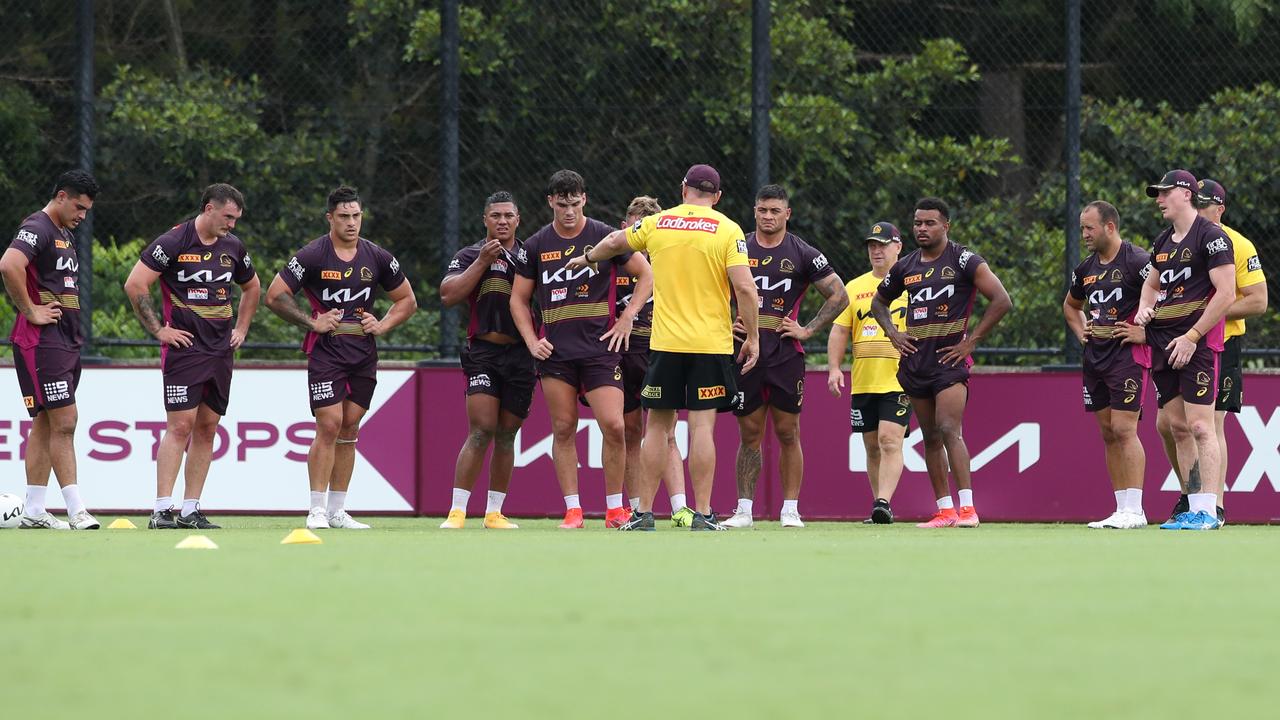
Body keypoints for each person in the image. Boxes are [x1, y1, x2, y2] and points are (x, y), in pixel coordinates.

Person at [565, 163, 759, 531]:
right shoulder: (728, 229)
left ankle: (643, 514)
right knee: (702, 428)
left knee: (657, 427)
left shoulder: (659, 222)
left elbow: (613, 242)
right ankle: (702, 513)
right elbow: (746, 289)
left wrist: (588, 257)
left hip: (666, 342)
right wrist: (753, 337)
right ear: (716, 197)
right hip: (709, 343)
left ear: (684, 188)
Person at [265, 185, 417, 530]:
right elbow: (274, 296)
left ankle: (337, 510)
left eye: (356, 216)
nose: (351, 223)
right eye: (344, 216)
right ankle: (316, 509)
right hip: (327, 352)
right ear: (330, 218)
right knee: (329, 423)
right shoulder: (313, 255)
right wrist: (312, 321)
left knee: (349, 428)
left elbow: (407, 300)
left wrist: (384, 324)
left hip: (363, 354)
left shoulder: (377, 256)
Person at [509, 170, 653, 529]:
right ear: (550, 203)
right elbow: (518, 300)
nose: (569, 211)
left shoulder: (605, 236)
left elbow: (647, 275)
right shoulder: (536, 245)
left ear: (584, 199)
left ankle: (614, 509)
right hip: (556, 353)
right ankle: (573, 510)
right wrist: (531, 340)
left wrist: (627, 318)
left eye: (575, 204)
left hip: (601, 349)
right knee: (563, 427)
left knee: (615, 426)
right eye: (562, 205)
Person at [124, 183, 260, 530]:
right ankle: (161, 510)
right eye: (228, 217)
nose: (232, 224)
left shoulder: (233, 247)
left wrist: (241, 329)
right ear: (208, 208)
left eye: (236, 219)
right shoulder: (173, 242)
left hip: (220, 351)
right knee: (180, 426)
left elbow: (252, 287)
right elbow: (135, 284)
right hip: (185, 349)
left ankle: (190, 509)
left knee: (208, 427)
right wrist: (159, 331)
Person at [871, 197, 1012, 528]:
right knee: (931, 436)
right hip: (916, 363)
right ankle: (945, 510)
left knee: (950, 428)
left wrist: (970, 342)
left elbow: (1002, 300)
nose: (922, 228)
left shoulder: (963, 260)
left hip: (949, 363)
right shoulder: (905, 266)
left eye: (930, 223)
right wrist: (893, 333)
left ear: (945, 225)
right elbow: (879, 302)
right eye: (918, 223)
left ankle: (968, 510)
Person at [722, 184, 847, 529]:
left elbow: (839, 295)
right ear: (754, 211)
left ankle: (790, 509)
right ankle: (744, 510)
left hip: (784, 355)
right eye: (762, 210)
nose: (768, 216)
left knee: (788, 432)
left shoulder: (803, 252)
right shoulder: (737, 246)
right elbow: (709, 287)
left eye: (775, 211)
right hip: (743, 351)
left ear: (787, 214)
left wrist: (807, 329)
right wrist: (723, 322)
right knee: (749, 433)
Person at [1148, 178, 1264, 527]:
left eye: (1207, 203)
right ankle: (1192, 496)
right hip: (1178, 340)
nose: (1201, 210)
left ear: (1220, 208)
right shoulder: (1175, 240)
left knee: (1209, 424)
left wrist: (1197, 317)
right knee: (1168, 424)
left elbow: (1257, 301)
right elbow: (1155, 285)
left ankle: (1214, 508)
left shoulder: (1235, 243)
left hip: (1220, 342)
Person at [1131, 170, 1235, 531]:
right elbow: (1151, 284)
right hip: (1163, 342)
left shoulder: (1212, 237)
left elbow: (1226, 293)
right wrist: (1145, 308)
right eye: (1157, 194)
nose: (1158, 200)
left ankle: (1210, 511)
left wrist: (1192, 336)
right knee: (1177, 427)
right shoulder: (1162, 241)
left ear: (1186, 194)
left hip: (1195, 344)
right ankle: (1193, 507)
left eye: (1164, 193)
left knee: (1201, 426)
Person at [0, 170, 101, 530]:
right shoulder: (38, 226)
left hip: (64, 341)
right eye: (78, 207)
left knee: (45, 422)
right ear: (60, 196)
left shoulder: (64, 233)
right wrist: (30, 310)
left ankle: (34, 509)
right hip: (42, 342)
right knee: (65, 421)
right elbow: (9, 264)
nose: (82, 216)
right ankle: (77, 511)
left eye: (87, 210)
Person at [438, 191, 531, 529]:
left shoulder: (529, 256)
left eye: (508, 215)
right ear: (485, 220)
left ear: (518, 219)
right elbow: (448, 295)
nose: (502, 221)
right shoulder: (469, 254)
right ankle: (457, 511)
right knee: (481, 429)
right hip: (483, 353)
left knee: (507, 434)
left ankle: (494, 513)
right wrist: (482, 261)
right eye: (496, 216)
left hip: (522, 354)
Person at [1063, 200, 1151, 529]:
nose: (1084, 234)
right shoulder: (1086, 270)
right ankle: (1121, 508)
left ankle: (1136, 510)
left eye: (1090, 228)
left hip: (1126, 357)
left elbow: (1165, 294)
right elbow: (1071, 307)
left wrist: (1145, 332)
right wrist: (1081, 332)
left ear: (1110, 227)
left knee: (1125, 429)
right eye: (1082, 228)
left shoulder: (1138, 261)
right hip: (1095, 358)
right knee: (1108, 433)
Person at [616, 196, 692, 528]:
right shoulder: (612, 262)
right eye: (635, 228)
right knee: (630, 431)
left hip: (660, 351)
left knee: (667, 432)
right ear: (625, 228)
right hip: (621, 352)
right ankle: (637, 509)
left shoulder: (670, 264)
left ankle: (680, 509)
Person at [827, 222, 909, 525]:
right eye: (872, 245)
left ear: (898, 247)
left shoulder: (911, 284)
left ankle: (883, 501)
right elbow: (840, 330)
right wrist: (834, 367)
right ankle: (880, 508)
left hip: (899, 379)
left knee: (890, 441)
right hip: (864, 381)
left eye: (883, 245)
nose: (876, 250)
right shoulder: (855, 287)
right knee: (872, 446)